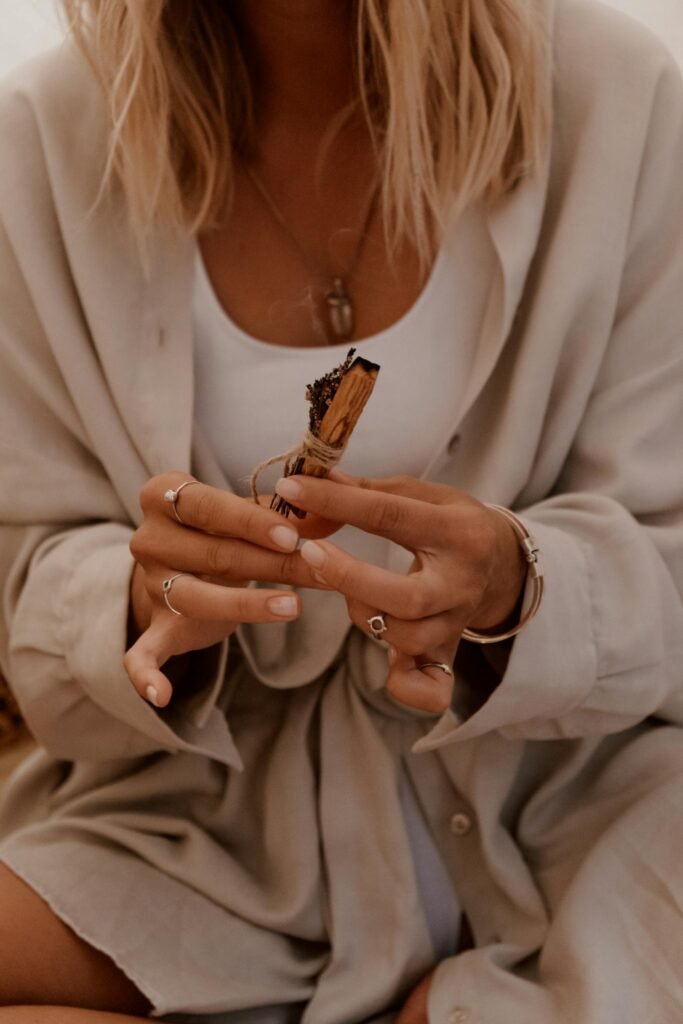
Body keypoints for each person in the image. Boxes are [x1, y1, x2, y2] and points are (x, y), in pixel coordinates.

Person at [0, 0, 682, 1021]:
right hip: (208, 836)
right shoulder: (46, 137)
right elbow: (33, 589)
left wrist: (514, 580)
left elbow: (666, 570)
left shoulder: (616, 97)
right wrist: (140, 601)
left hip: (569, 811)